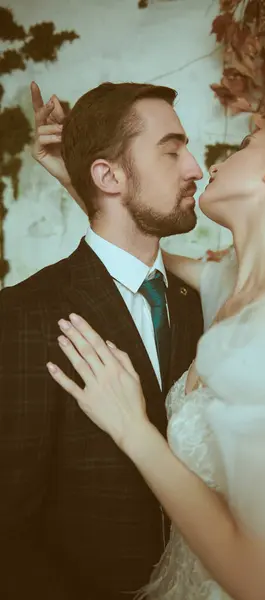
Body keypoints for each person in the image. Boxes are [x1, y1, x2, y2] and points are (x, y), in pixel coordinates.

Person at [42, 99, 265, 598]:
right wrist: (85, 178)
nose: (211, 165)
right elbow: (131, 247)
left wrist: (132, 428)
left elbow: (264, 584)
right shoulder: (230, 289)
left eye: (246, 145)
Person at [0, 81, 205, 600]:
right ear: (107, 175)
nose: (194, 169)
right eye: (172, 151)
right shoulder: (26, 315)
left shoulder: (201, 300)